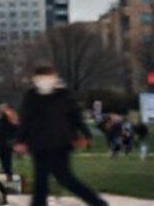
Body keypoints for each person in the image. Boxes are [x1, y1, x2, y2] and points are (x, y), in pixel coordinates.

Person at [14, 65, 107, 206]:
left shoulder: (64, 95)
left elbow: (76, 117)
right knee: (41, 183)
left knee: (64, 179)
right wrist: (20, 140)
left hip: (60, 143)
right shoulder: (31, 96)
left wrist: (85, 135)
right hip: (39, 144)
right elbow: (26, 120)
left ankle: (97, 203)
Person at [0, 103, 18, 179]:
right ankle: (6, 170)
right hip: (2, 141)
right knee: (3, 156)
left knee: (7, 157)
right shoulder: (1, 120)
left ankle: (8, 172)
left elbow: (15, 127)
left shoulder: (10, 118)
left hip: (7, 141)